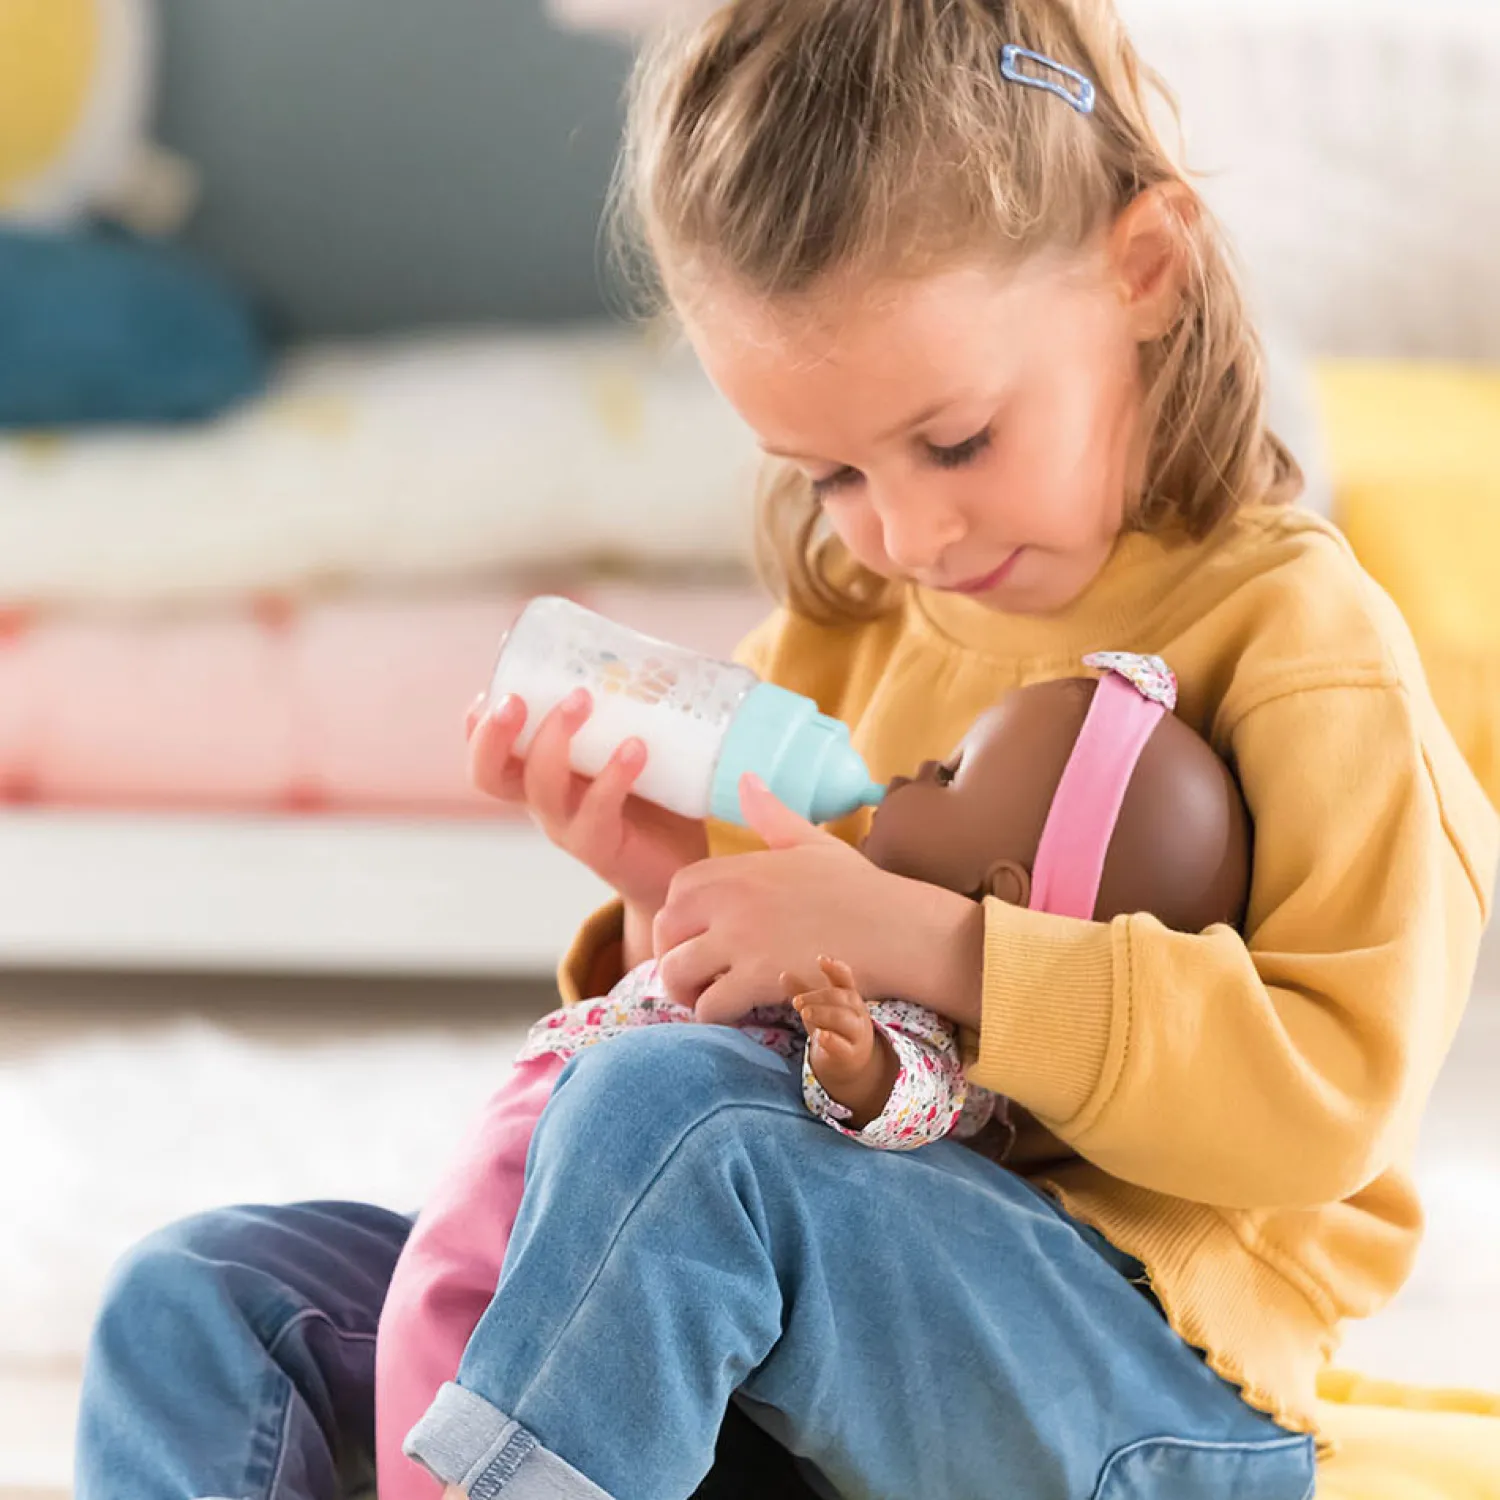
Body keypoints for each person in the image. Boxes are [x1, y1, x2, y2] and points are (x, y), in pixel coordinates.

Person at [74, 2, 1498, 1498]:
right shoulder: (843, 633)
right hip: (807, 1360)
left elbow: (1327, 1101)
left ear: (1141, 271)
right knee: (208, 1297)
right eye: (830, 474)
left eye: (955, 441)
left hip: (1143, 1385)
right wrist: (667, 898)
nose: (908, 532)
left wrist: (935, 944)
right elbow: (707, 1111)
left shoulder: (1299, 640)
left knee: (680, 1131)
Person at [374, 657, 1250, 1500]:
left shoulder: (924, 1013)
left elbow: (922, 1097)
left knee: (465, 1343)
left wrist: (858, 1061)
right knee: (411, 1320)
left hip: (617, 1172)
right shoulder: (822, 893)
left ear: (1005, 890)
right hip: (561, 1136)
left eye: (948, 775)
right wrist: (661, 894)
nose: (908, 773)